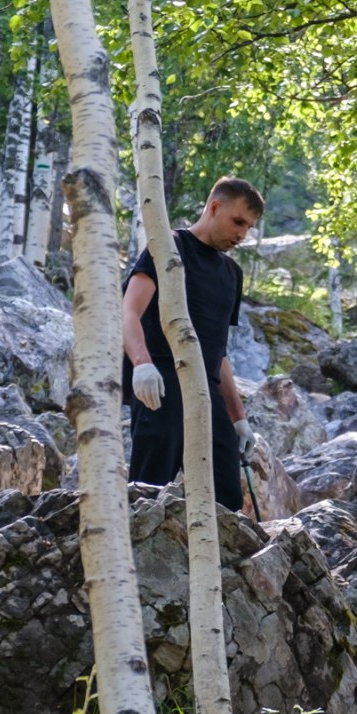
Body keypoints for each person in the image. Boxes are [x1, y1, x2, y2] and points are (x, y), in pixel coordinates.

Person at [123, 176, 261, 511]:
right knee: (150, 492)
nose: (243, 234)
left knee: (226, 498)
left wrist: (238, 417)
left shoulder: (232, 273)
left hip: (207, 391)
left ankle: (216, 564)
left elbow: (219, 352)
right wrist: (142, 364)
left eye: (250, 227)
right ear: (214, 207)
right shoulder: (168, 246)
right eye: (238, 221)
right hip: (161, 384)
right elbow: (128, 311)